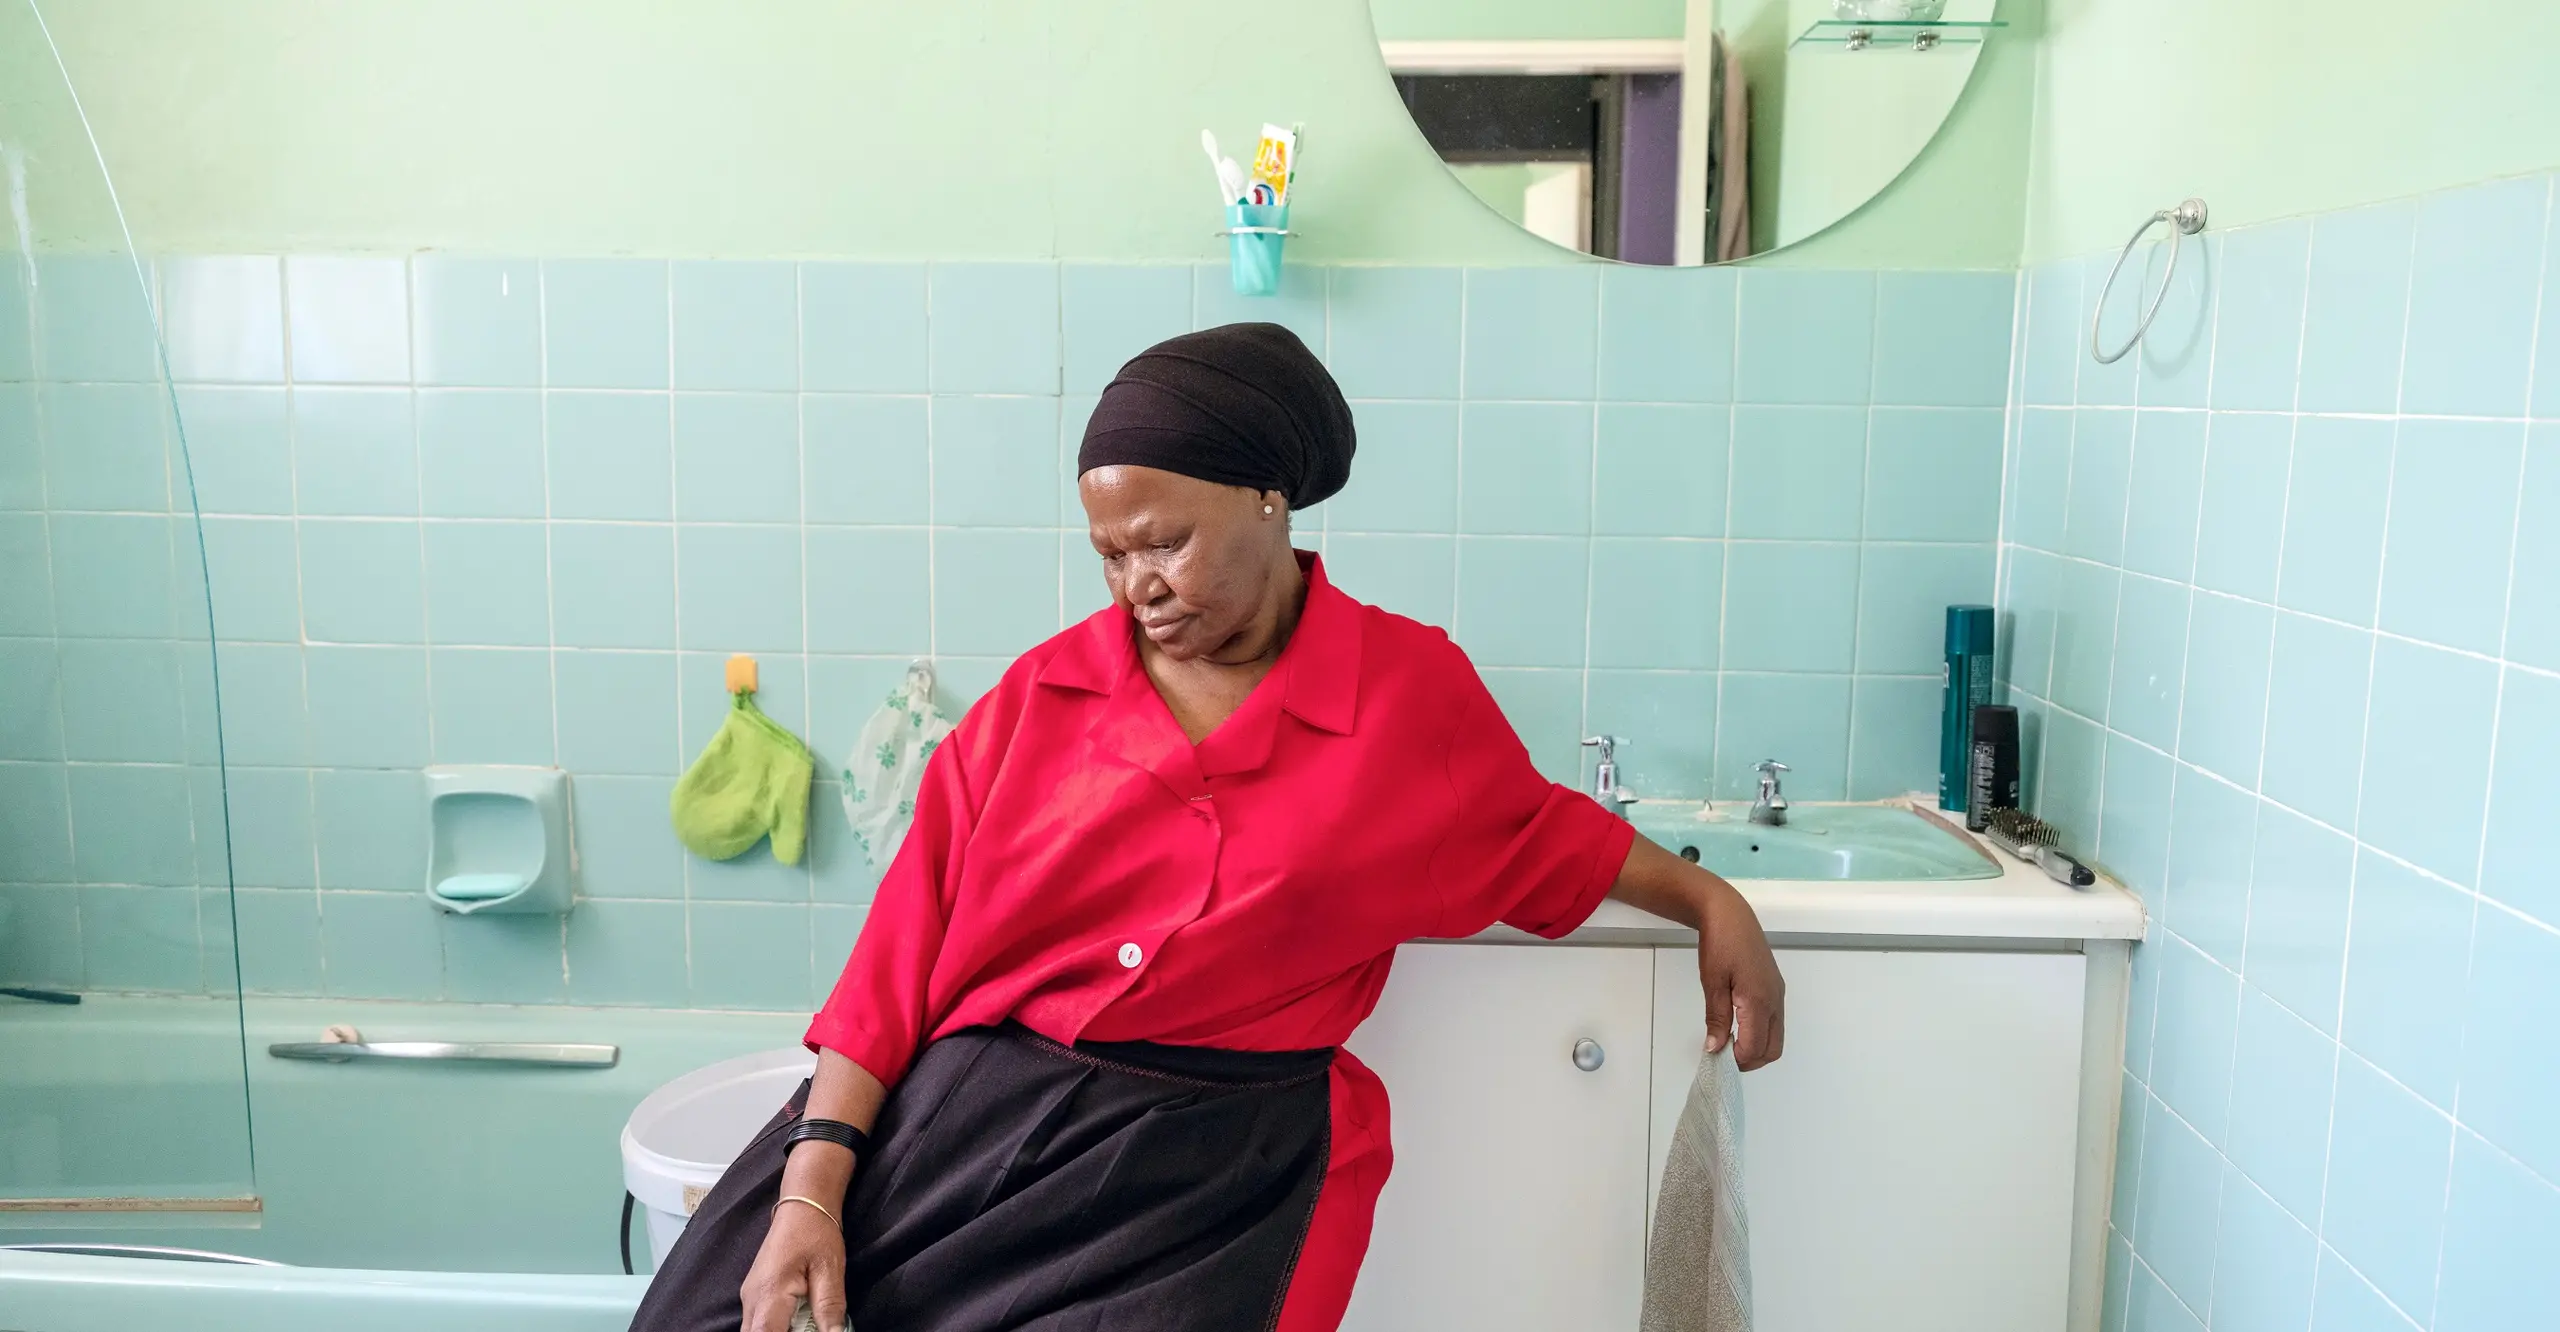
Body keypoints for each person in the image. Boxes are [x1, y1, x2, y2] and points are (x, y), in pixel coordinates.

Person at [627, 323, 1785, 1332]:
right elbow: (892, 972)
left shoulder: (1405, 694)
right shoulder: (1035, 703)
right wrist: (810, 1191)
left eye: (1165, 541)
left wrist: (1709, 899)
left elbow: (1535, 835)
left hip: (1217, 1175)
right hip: (968, 1130)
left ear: (1269, 498)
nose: (1138, 582)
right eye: (1110, 554)